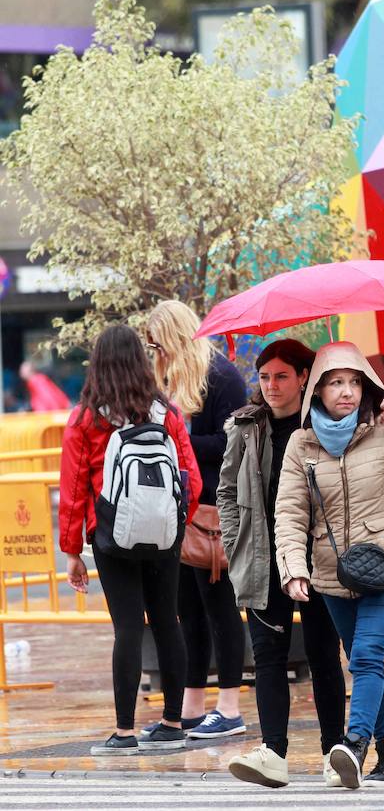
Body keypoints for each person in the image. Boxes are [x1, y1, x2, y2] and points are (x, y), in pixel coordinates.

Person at [274, 341, 384, 789]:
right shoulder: (301, 444)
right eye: (334, 382)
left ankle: (353, 743)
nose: (345, 391)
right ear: (317, 392)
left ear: (365, 385)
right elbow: (290, 512)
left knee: (367, 655)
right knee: (365, 661)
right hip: (332, 573)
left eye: (352, 381)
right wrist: (293, 566)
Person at [58, 324, 202, 755]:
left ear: (98, 364)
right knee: (166, 622)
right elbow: (190, 479)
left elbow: (73, 488)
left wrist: (73, 551)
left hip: (111, 537)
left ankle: (124, 732)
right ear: (141, 362)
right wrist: (174, 523)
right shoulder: (166, 413)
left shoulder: (87, 418)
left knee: (126, 627)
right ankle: (173, 723)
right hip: (164, 537)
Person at [218, 339, 346, 789]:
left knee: (323, 654)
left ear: (304, 377)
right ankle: (273, 752)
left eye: (282, 376)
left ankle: (334, 753)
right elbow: (228, 492)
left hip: (319, 558)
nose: (271, 386)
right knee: (268, 658)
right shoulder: (246, 426)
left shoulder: (326, 426)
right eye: (265, 376)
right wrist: (235, 545)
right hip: (261, 558)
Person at [144, 300, 248, 739]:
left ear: (174, 337)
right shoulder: (170, 379)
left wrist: (179, 437)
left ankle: (230, 707)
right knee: (187, 609)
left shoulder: (221, 376)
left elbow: (232, 443)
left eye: (158, 345)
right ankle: (192, 707)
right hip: (181, 508)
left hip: (216, 508)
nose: (155, 354)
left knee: (220, 608)